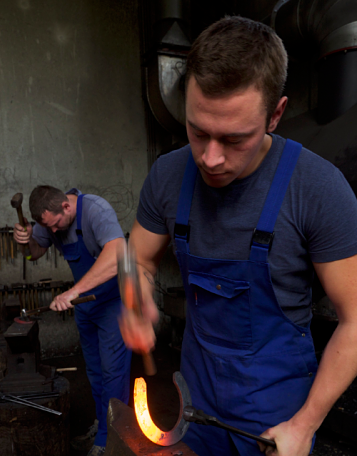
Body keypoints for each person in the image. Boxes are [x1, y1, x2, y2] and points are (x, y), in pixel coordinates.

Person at [119, 15, 357, 456]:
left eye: (233, 139)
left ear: (276, 114)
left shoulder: (317, 189)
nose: (210, 158)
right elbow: (139, 258)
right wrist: (135, 297)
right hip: (195, 396)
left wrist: (304, 426)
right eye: (198, 131)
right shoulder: (168, 176)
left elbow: (355, 319)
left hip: (277, 414)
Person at [13, 186, 131, 456]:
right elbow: (33, 254)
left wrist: (73, 291)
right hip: (85, 308)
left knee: (114, 376)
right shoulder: (50, 220)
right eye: (47, 227)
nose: (52, 232)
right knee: (95, 374)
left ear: (66, 207)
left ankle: (111, 441)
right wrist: (23, 241)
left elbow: (117, 256)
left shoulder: (95, 211)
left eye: (54, 226)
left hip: (114, 304)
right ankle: (103, 426)